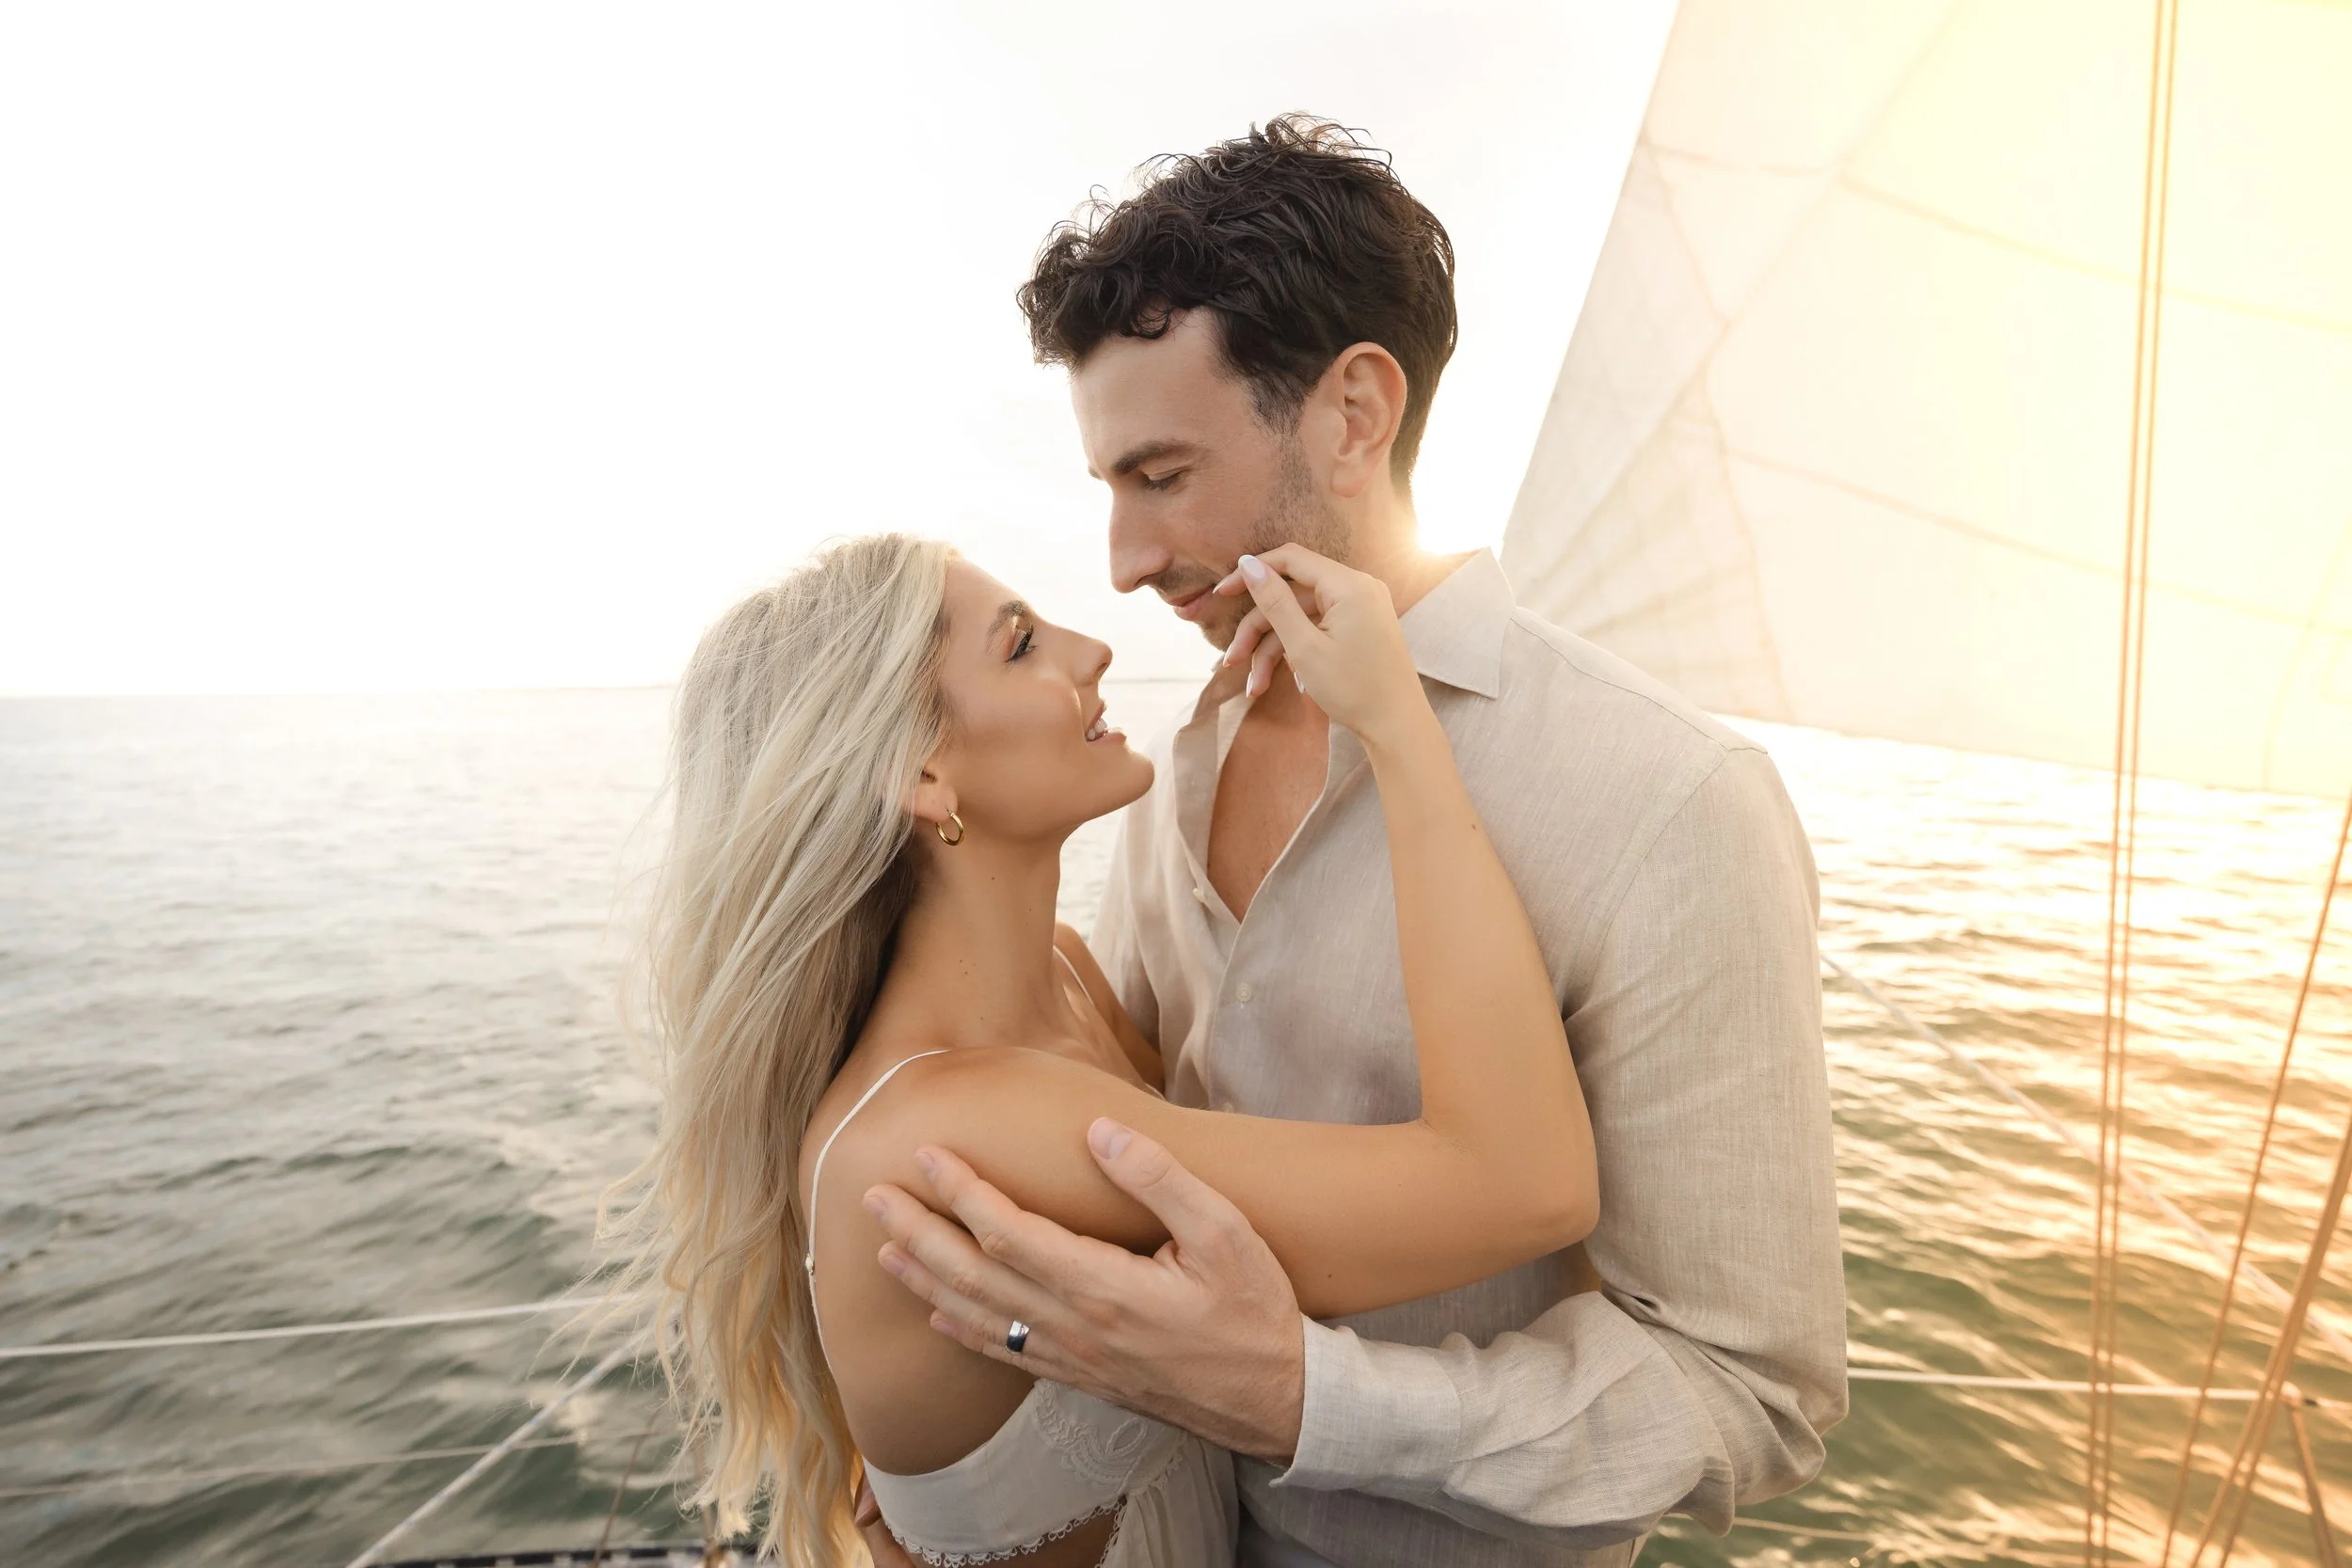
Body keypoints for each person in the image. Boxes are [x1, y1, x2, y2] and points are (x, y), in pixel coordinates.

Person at [865, 117, 1847, 1568]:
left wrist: (1311, 1398)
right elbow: (1121, 1139)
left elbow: (1749, 1388)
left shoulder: (1667, 795)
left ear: (1351, 415)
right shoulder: (1163, 762)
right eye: (1108, 491)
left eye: (1160, 474)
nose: (1126, 561)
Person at [612, 529, 1605, 1568]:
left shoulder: (1070, 975)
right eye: (1020, 644)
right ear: (921, 769)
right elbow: (1522, 1179)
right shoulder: (954, 1125)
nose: (1092, 649)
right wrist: (1395, 724)